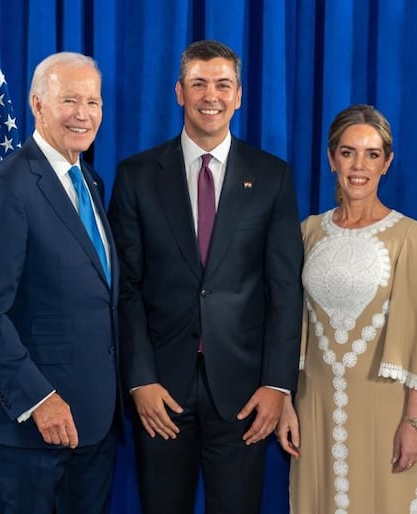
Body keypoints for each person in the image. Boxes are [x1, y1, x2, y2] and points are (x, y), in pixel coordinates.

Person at [108, 40, 303, 514]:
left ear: (239, 96)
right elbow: (125, 288)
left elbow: (285, 289)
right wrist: (139, 381)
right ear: (179, 92)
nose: (210, 95)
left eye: (222, 84)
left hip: (244, 395)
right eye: (198, 83)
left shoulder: (272, 176)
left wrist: (277, 385)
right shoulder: (135, 176)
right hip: (160, 393)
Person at [0, 52, 120, 514]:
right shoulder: (6, 187)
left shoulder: (89, 181)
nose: (83, 113)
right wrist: (41, 400)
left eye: (93, 101)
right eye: (69, 99)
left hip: (95, 422)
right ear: (37, 104)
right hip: (38, 424)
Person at [275, 104, 417, 513]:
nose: (358, 166)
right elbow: (288, 323)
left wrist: (415, 422)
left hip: (386, 409)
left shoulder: (409, 236)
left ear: (387, 162)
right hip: (314, 406)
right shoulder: (308, 231)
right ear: (332, 158)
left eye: (371, 154)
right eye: (348, 152)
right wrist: (284, 403)